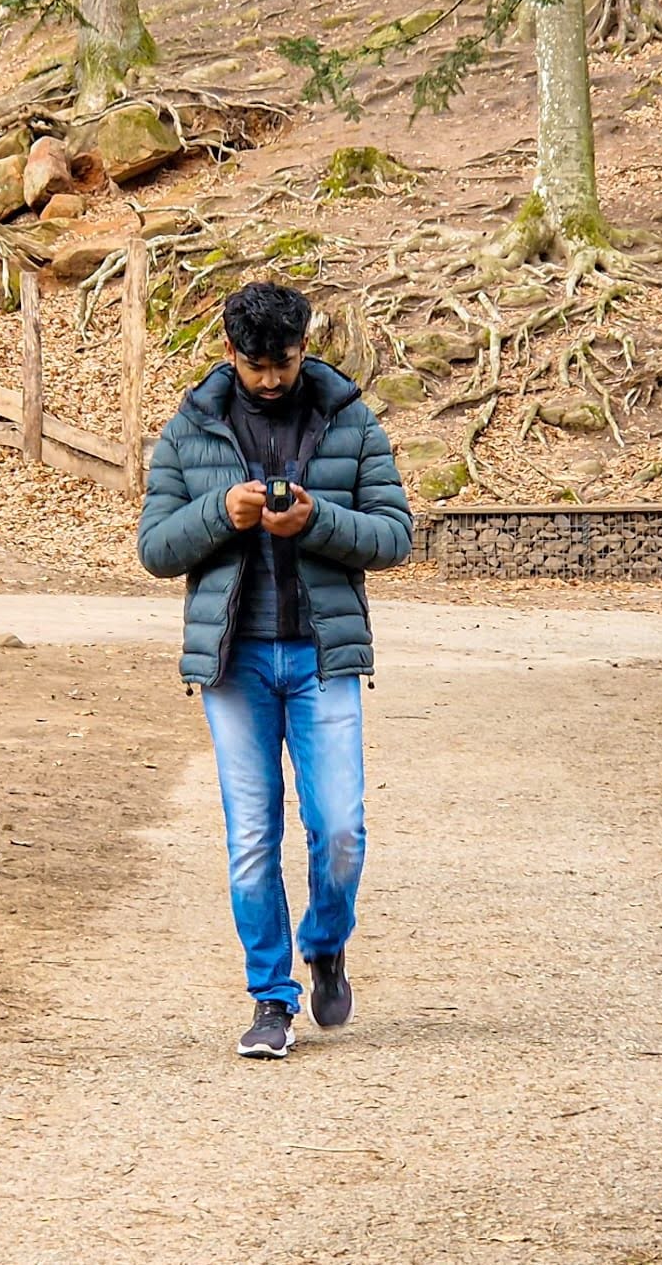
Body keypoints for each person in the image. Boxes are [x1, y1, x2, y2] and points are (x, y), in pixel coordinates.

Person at [137, 282, 413, 1059]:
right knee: (253, 838)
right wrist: (219, 514)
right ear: (230, 351)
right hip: (235, 664)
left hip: (324, 657)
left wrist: (316, 519)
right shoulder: (192, 426)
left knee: (341, 829)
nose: (269, 378)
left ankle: (325, 941)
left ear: (304, 347)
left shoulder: (349, 419)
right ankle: (271, 996)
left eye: (283, 363)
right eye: (255, 364)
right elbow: (154, 548)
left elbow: (396, 535)